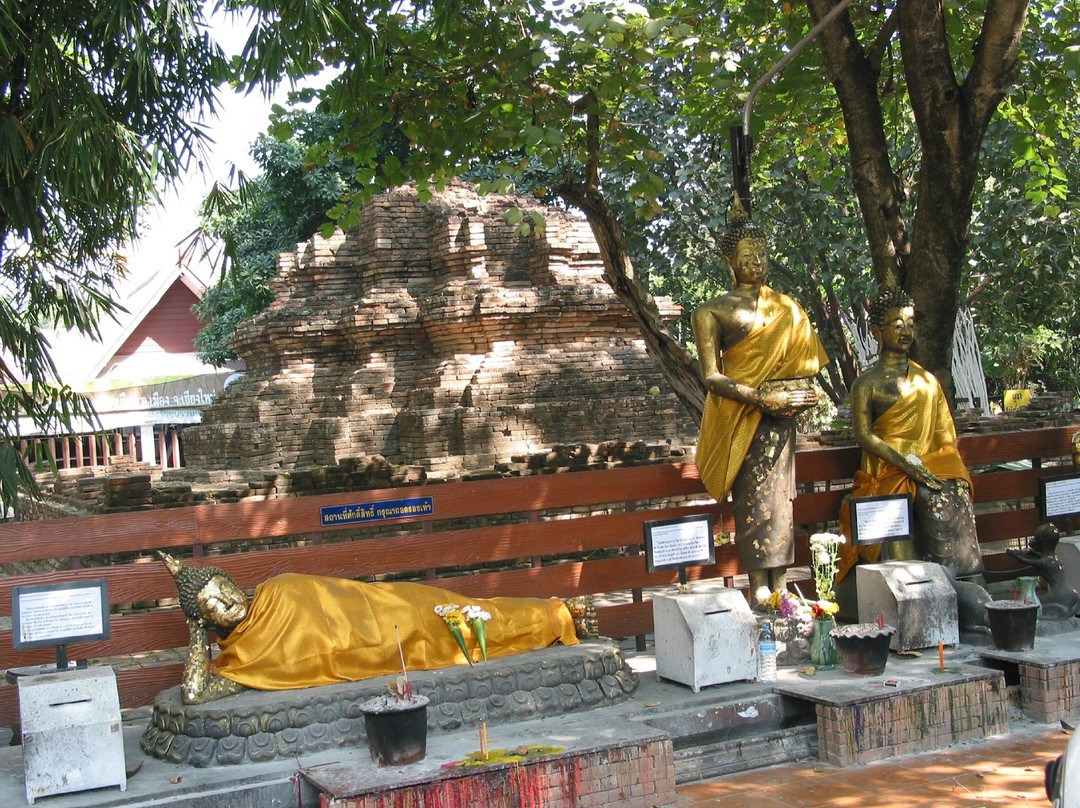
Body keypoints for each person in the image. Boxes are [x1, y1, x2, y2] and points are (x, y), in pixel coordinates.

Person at [159, 552, 580, 704]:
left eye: (224, 586)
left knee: (463, 612)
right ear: (207, 620)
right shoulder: (242, 662)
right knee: (456, 633)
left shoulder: (275, 590)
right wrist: (196, 633)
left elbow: (340, 594)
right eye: (212, 604)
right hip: (374, 650)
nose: (227, 600)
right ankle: (554, 616)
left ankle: (554, 614)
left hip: (385, 607)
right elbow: (195, 693)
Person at [691, 195, 829, 607]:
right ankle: (758, 585)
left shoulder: (785, 307)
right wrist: (758, 397)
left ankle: (782, 584)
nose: (758, 260)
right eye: (748, 254)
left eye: (763, 252)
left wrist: (797, 396)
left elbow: (805, 370)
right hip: (741, 417)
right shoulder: (710, 312)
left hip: (780, 421)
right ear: (730, 261)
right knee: (752, 498)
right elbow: (711, 376)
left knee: (781, 502)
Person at [837, 288, 984, 583]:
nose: (906, 330)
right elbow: (864, 437)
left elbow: (944, 436)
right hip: (889, 471)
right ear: (877, 331)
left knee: (951, 495)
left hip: (929, 466)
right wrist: (906, 465)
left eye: (910, 322)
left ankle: (966, 580)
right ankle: (931, 587)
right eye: (897, 324)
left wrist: (941, 470)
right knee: (902, 506)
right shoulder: (866, 384)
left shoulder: (927, 381)